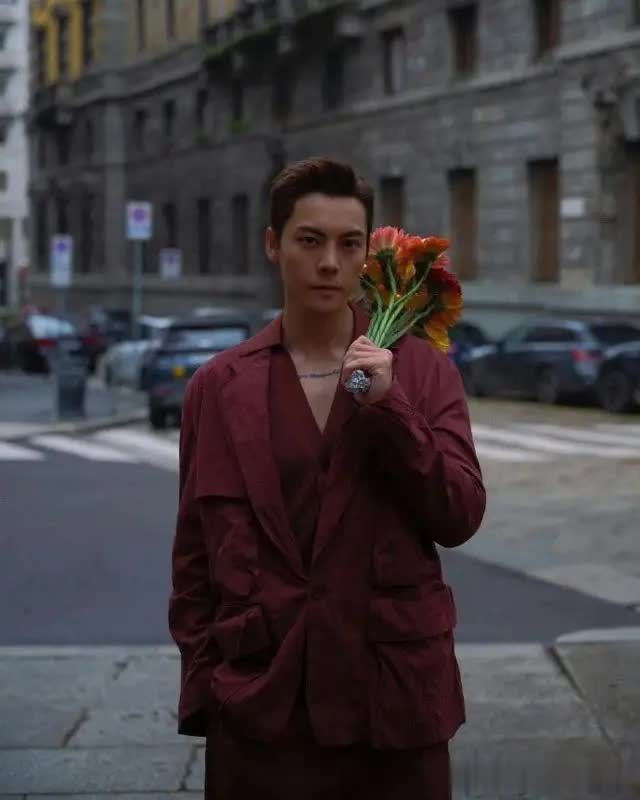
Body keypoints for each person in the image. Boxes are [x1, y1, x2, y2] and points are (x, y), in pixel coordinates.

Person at [168, 157, 486, 799]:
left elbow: (459, 514)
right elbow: (194, 559)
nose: (329, 264)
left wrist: (390, 409)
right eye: (310, 241)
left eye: (349, 244)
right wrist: (210, 688)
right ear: (273, 244)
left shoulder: (421, 371)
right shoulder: (219, 386)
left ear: (370, 255)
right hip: (261, 710)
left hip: (393, 708)